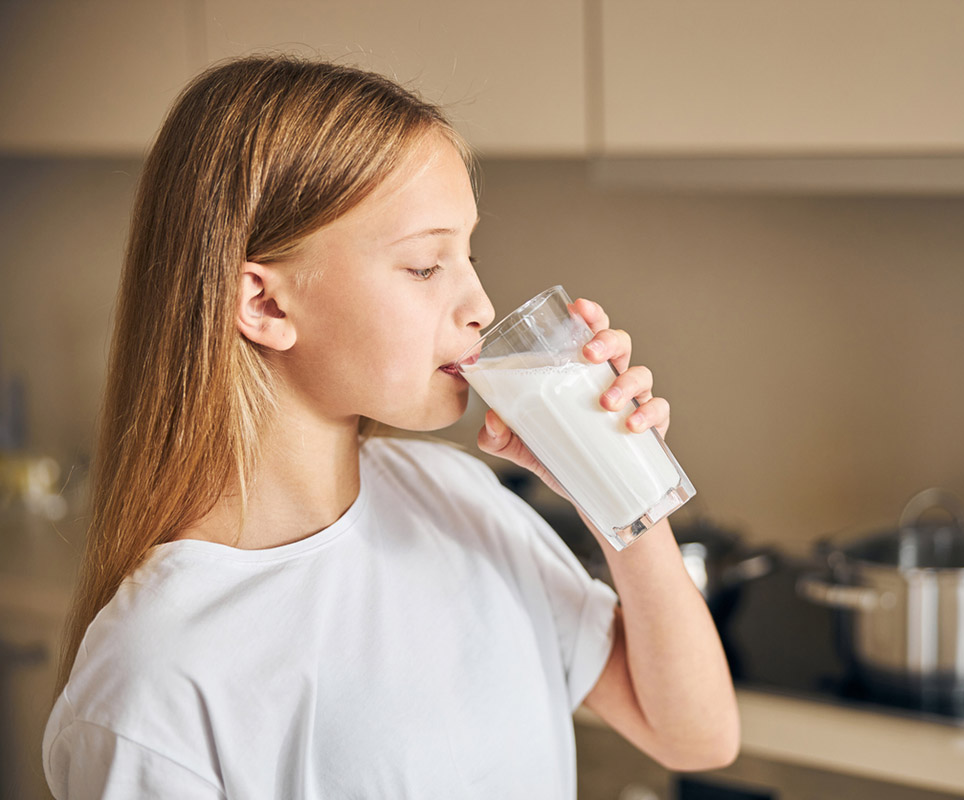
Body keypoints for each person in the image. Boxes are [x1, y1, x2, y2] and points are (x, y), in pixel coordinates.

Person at [41, 55, 738, 798]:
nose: (479, 303)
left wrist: (613, 482)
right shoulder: (155, 677)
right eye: (424, 266)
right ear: (265, 306)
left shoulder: (457, 500)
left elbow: (695, 735)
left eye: (468, 254)